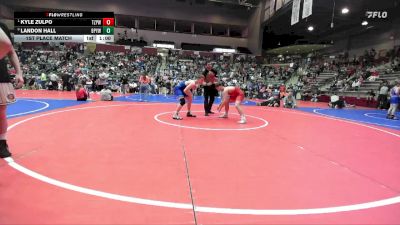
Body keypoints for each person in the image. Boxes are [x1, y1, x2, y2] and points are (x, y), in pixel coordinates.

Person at [0, 23, 24, 158]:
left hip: (0, 71)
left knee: (1, 110)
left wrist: (19, 72)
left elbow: (10, 50)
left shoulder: (2, 27)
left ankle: (1, 143)